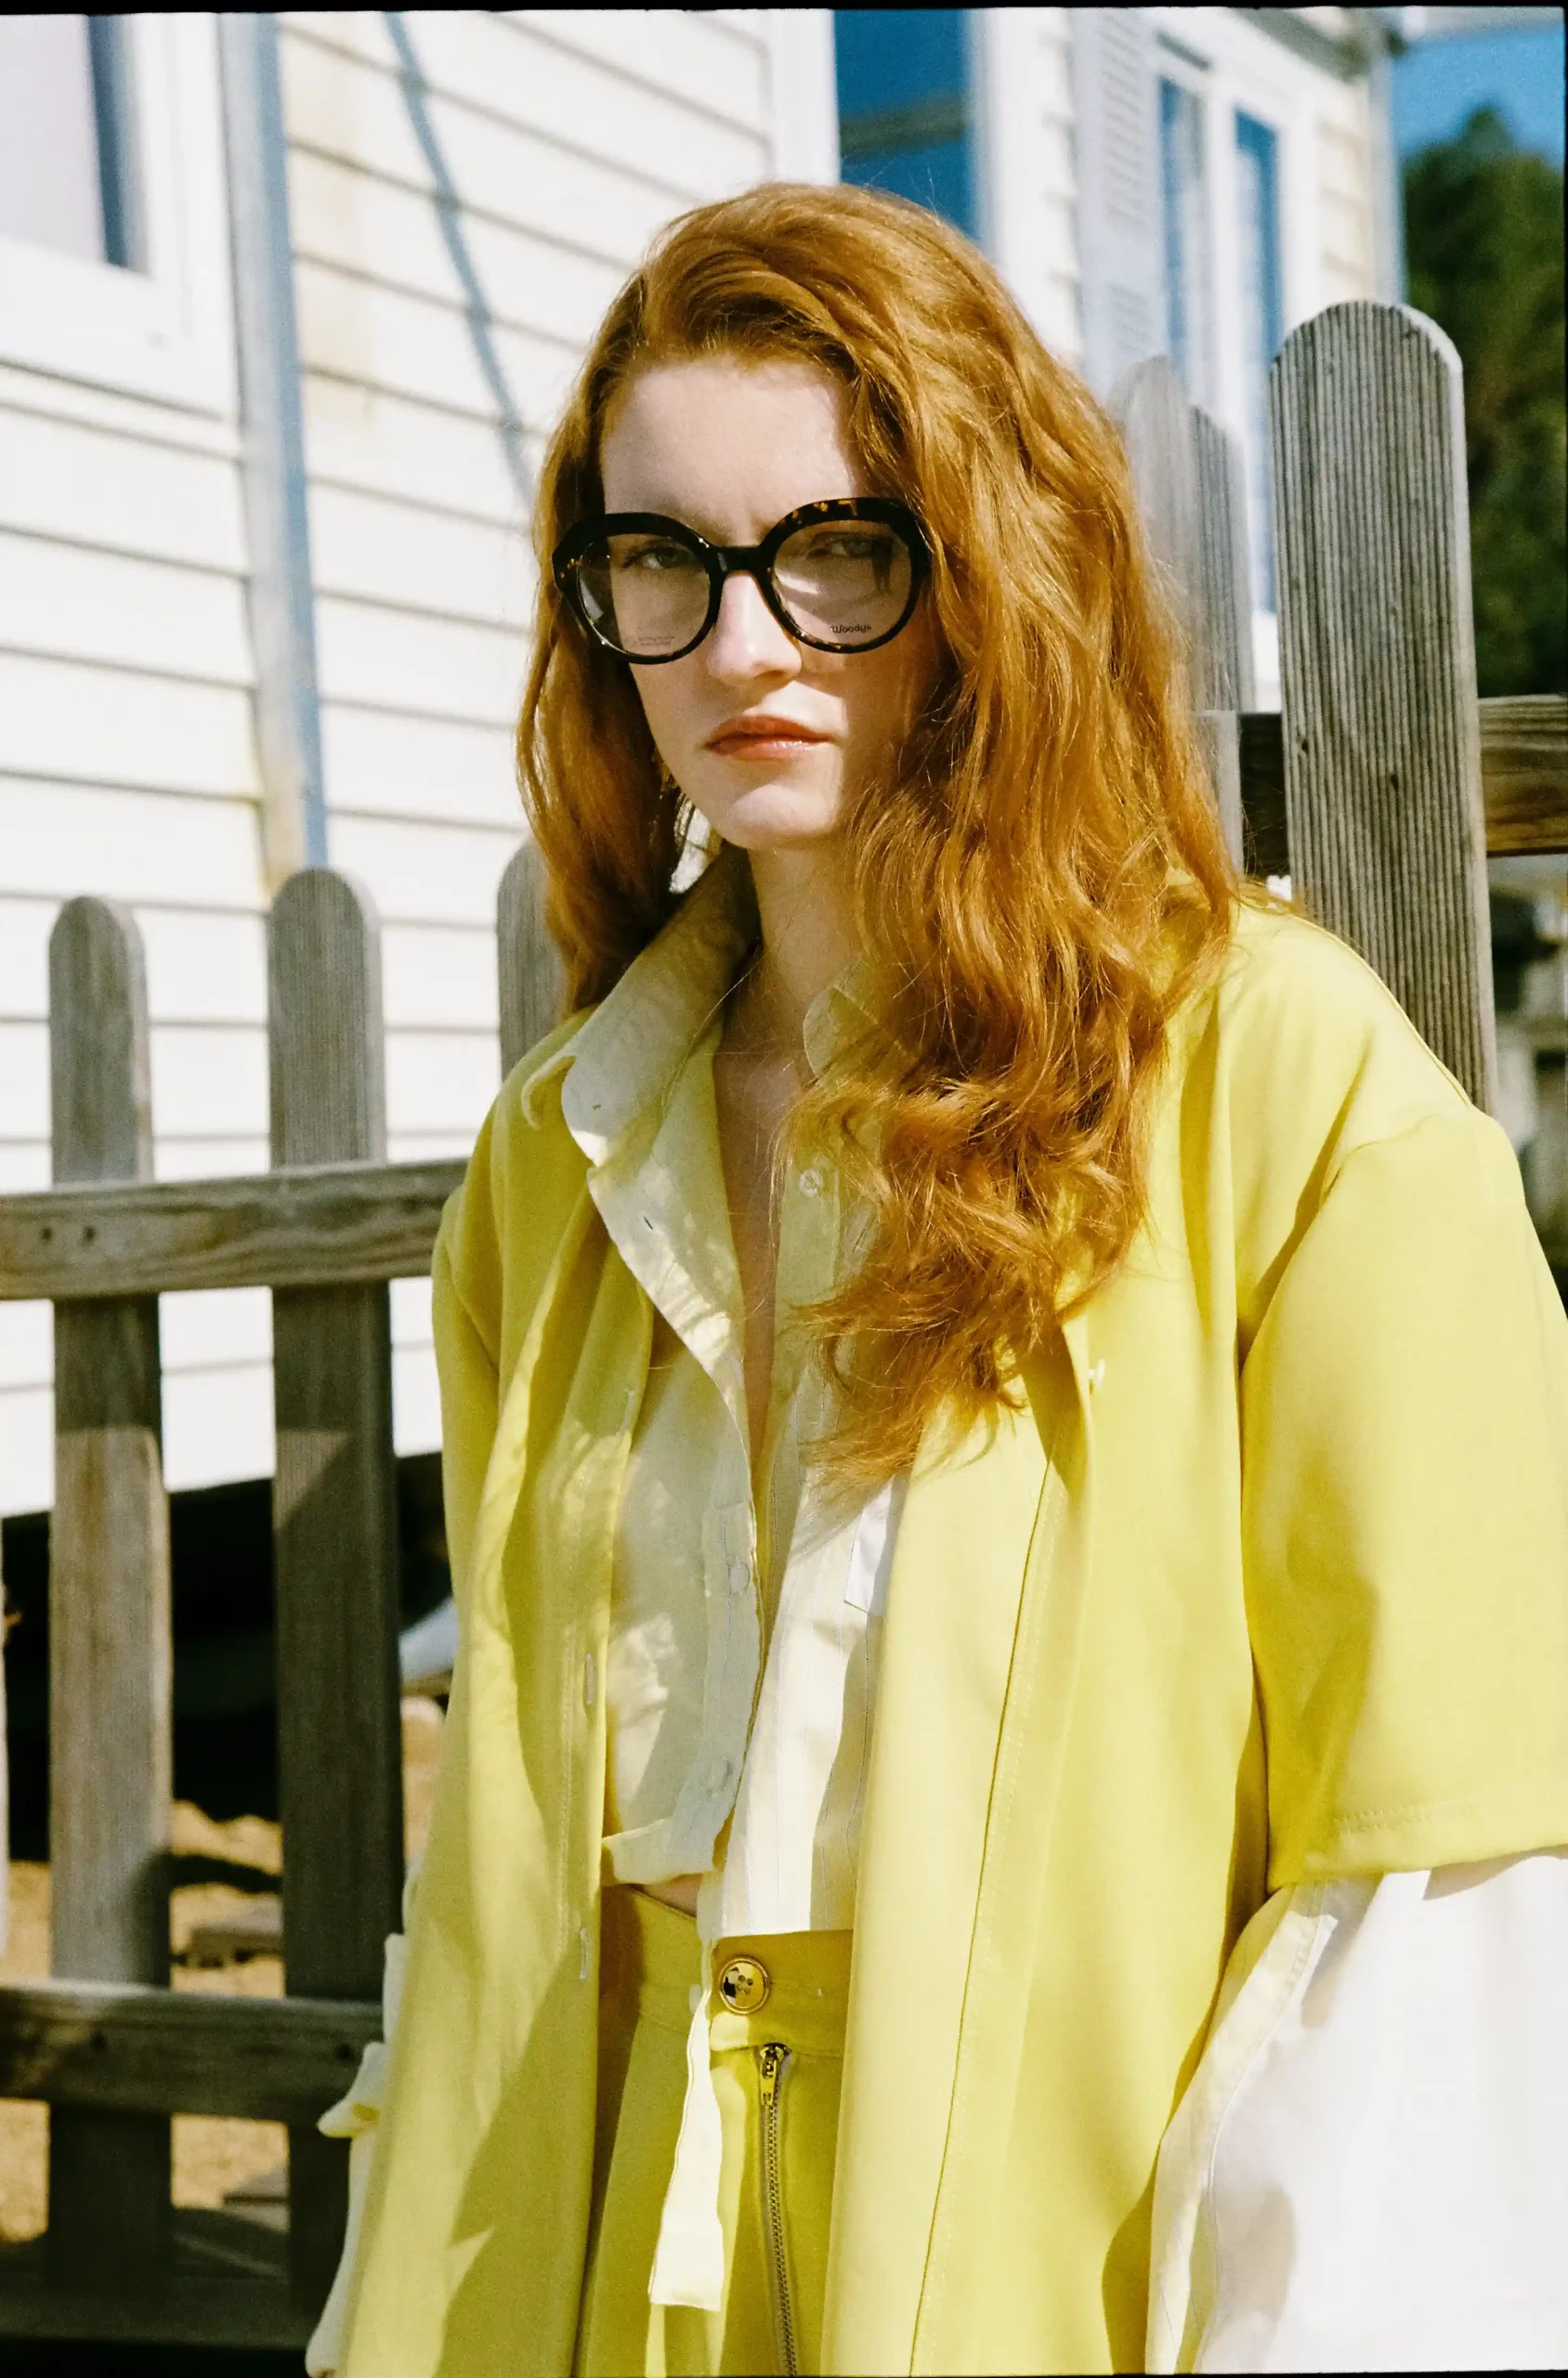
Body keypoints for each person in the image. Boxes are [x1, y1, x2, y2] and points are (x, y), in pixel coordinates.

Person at [307, 183, 1568, 2378]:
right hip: (603, 2255)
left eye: (837, 548)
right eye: (659, 559)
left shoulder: (1281, 1089)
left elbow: (1426, 1867)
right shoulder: (555, 1157)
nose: (742, 645)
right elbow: (511, 1857)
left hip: (1048, 2266)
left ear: (989, 561)